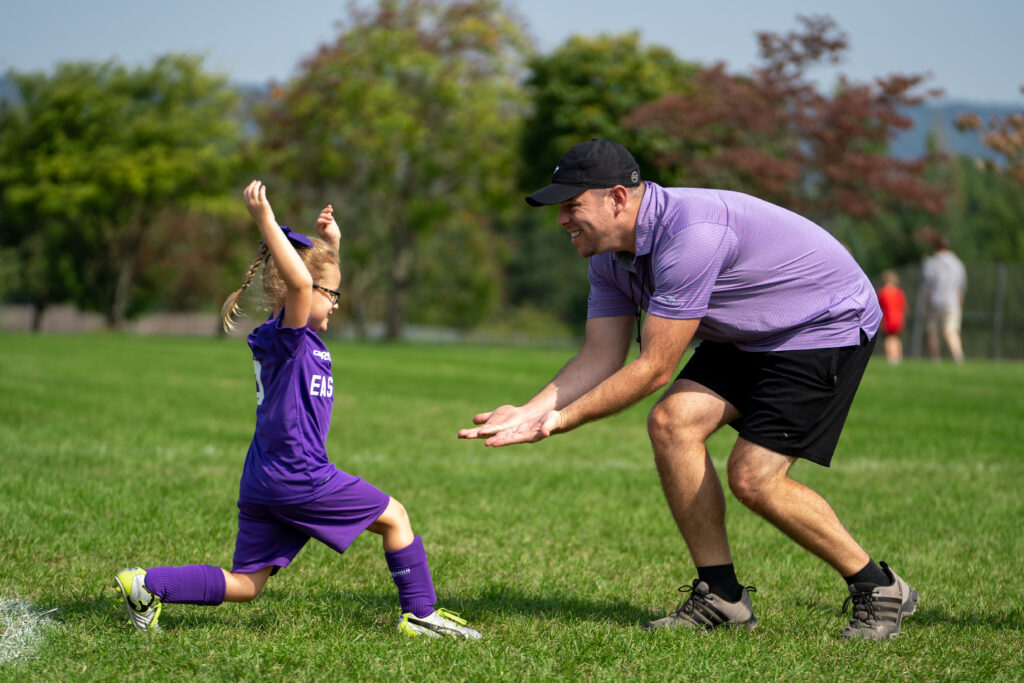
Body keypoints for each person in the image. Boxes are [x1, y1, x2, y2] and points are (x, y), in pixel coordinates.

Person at [459, 139, 918, 640]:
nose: (562, 220)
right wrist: (530, 410)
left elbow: (655, 367)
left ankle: (878, 587)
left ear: (616, 198)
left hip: (821, 322)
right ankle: (722, 597)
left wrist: (559, 421)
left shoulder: (692, 234)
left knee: (754, 477)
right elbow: (600, 356)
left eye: (572, 206)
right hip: (749, 329)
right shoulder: (608, 255)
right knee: (672, 423)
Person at [114, 180, 480, 640]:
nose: (335, 305)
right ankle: (420, 613)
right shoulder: (286, 339)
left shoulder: (296, 337)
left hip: (265, 478)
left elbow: (313, 278)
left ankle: (148, 584)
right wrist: (267, 223)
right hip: (298, 475)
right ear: (297, 294)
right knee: (396, 517)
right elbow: (304, 282)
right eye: (332, 296)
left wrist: (331, 245)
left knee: (247, 586)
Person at [920, 230, 966, 363]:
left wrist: (926, 303)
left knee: (933, 332)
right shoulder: (958, 263)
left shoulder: (931, 263)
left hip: (935, 301)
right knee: (951, 330)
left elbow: (928, 285)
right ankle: (958, 356)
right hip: (952, 302)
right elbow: (960, 286)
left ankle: (935, 359)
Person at [877, 269, 909, 365]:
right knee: (896, 338)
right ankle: (898, 356)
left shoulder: (882, 293)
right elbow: (905, 307)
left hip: (888, 319)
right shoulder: (899, 292)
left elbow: (878, 307)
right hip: (898, 319)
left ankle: (891, 357)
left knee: (889, 339)